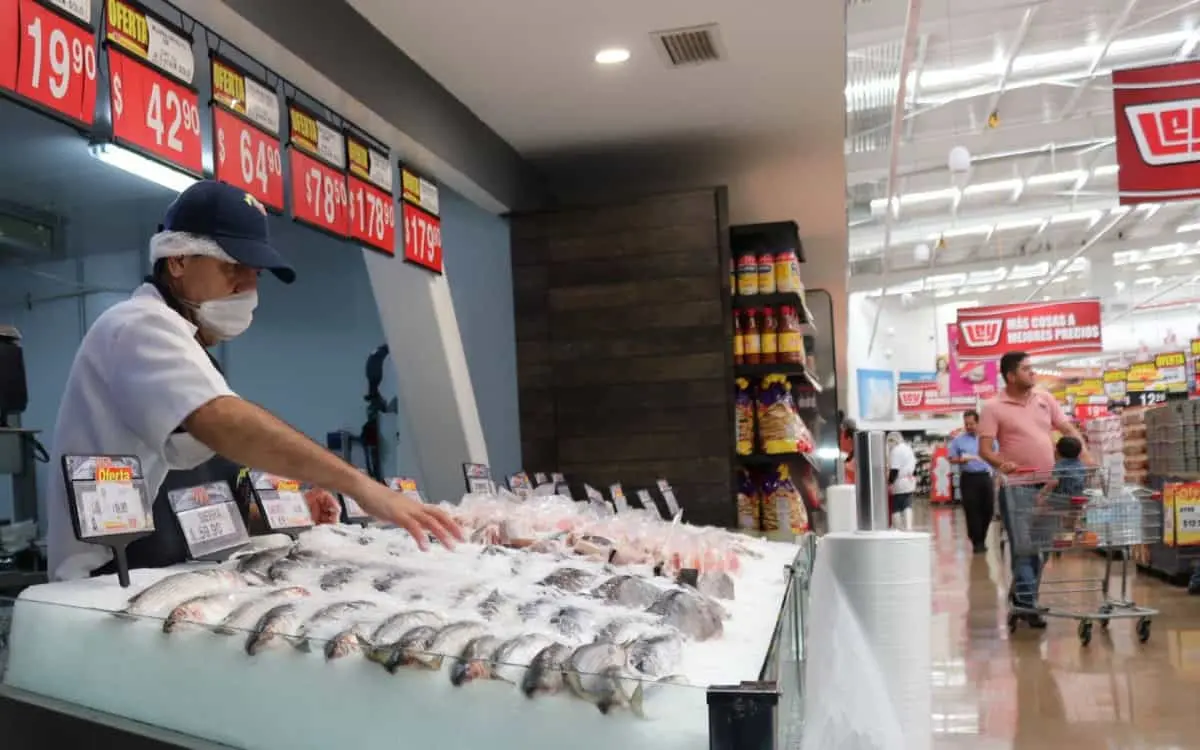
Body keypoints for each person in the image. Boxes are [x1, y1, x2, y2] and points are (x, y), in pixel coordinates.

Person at [47, 181, 462, 580]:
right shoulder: (137, 326)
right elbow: (226, 423)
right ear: (178, 260)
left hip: (161, 570)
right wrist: (362, 487)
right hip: (105, 579)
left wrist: (283, 506)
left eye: (255, 273)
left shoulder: (190, 349)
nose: (248, 286)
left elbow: (200, 466)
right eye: (234, 267)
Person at [978, 351, 1091, 628]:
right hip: (1017, 487)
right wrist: (1002, 463)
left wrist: (1085, 456)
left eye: (1033, 368)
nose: (1033, 373)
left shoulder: (1044, 399)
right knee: (1024, 547)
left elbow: (1065, 427)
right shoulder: (993, 407)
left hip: (1049, 485)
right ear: (1011, 375)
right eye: (1027, 369)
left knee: (1042, 547)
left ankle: (1022, 597)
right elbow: (984, 449)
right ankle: (1028, 605)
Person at [948, 409, 995, 554]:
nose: (969, 427)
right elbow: (951, 458)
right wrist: (962, 459)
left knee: (988, 509)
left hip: (986, 477)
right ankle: (977, 542)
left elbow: (997, 455)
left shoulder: (988, 438)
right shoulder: (958, 441)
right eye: (966, 424)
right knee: (972, 510)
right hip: (968, 478)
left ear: (978, 422)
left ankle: (980, 535)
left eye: (972, 424)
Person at [887, 431, 916, 530]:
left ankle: (898, 529)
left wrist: (889, 482)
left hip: (899, 482)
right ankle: (909, 527)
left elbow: (894, 470)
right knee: (907, 504)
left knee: (896, 506)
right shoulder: (907, 448)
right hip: (909, 481)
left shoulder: (896, 450)